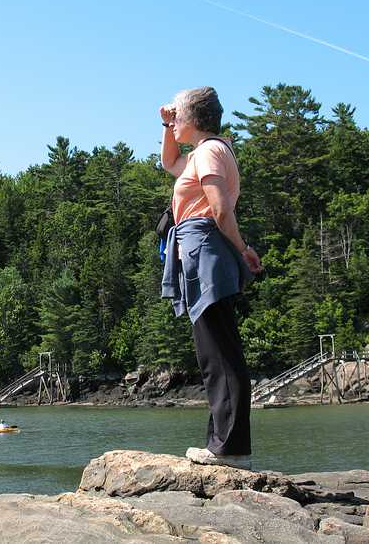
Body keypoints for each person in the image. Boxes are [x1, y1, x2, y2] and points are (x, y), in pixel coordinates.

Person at [158, 86, 263, 470]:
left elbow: (220, 210)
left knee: (220, 353)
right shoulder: (202, 152)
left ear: (195, 118)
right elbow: (169, 161)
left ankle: (231, 451)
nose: (173, 120)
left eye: (178, 115)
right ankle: (223, 446)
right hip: (203, 253)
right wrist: (169, 124)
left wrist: (242, 248)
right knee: (214, 353)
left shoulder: (210, 151)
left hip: (208, 253)